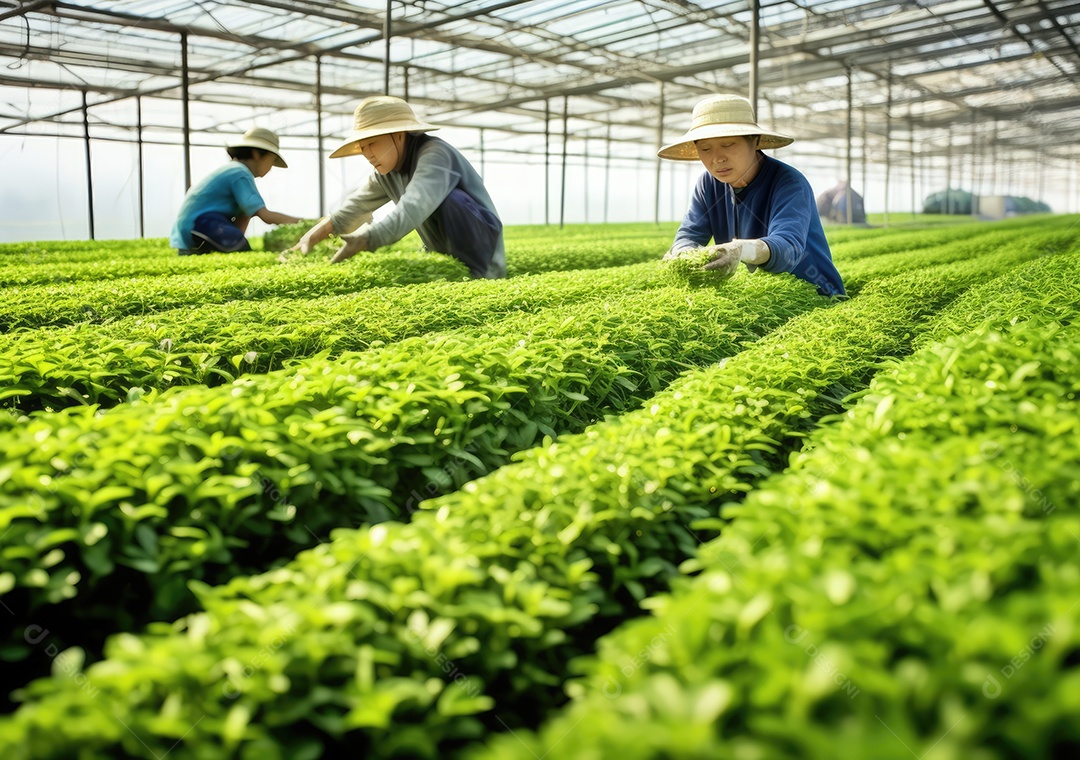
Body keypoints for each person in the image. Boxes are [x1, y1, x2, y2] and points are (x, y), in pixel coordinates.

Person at [284, 96, 505, 279]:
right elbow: (356, 206)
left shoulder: (435, 154)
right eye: (363, 147)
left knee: (452, 199)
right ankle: (452, 270)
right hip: (447, 258)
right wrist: (310, 238)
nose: (368, 154)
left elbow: (415, 205)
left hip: (484, 256)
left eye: (372, 144)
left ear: (398, 135)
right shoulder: (386, 173)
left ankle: (479, 274)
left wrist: (367, 239)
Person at [659, 94, 845, 297]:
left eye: (728, 145)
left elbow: (787, 248)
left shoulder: (789, 182)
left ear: (754, 141)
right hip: (761, 291)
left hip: (813, 292)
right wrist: (682, 251)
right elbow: (690, 233)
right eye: (705, 148)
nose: (718, 158)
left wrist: (741, 249)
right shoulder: (709, 184)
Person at [170, 128, 301, 255]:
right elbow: (266, 216)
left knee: (239, 245)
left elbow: (245, 215)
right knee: (237, 243)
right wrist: (304, 223)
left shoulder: (233, 170)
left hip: (189, 234)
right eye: (271, 161)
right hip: (201, 227)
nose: (270, 168)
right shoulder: (240, 172)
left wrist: (240, 246)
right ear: (256, 154)